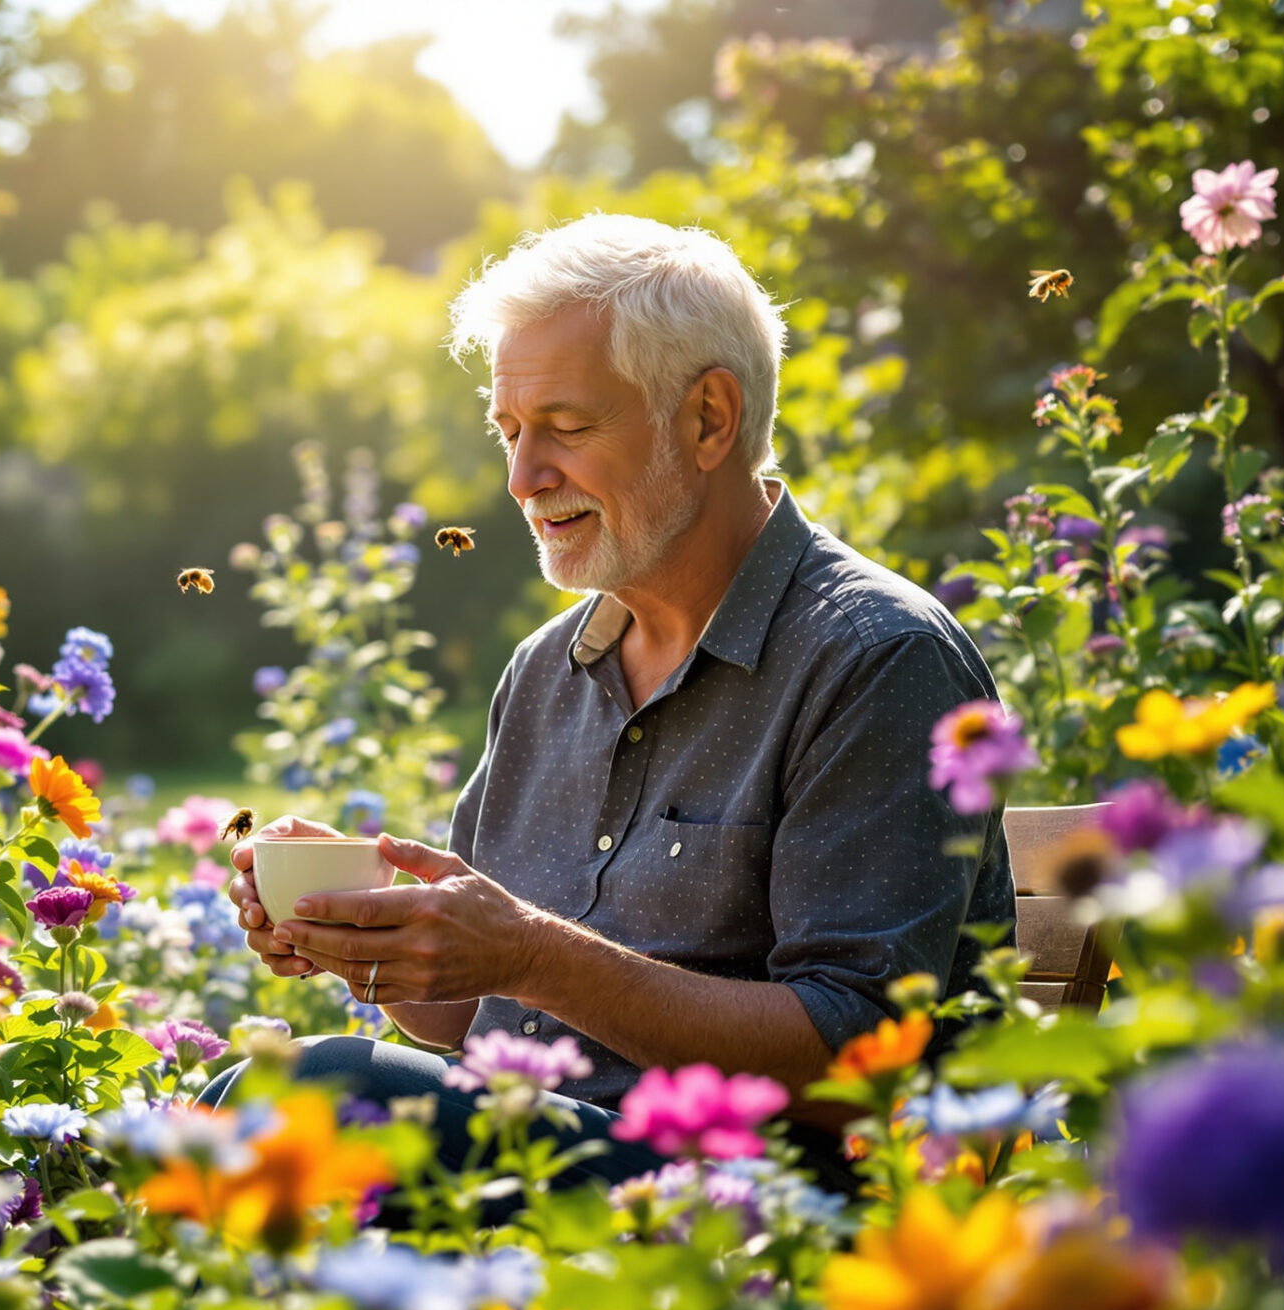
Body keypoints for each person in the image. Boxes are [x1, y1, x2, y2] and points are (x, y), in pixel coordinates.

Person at [207, 214, 1013, 1190]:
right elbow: (465, 1016)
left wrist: (531, 956)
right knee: (231, 1103)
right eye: (510, 432)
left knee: (310, 1091)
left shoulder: (875, 658)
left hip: (755, 1206)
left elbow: (858, 1054)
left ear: (708, 419)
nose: (522, 478)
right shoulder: (545, 671)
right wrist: (364, 936)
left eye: (566, 426)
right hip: (545, 1164)